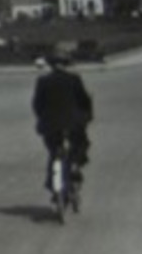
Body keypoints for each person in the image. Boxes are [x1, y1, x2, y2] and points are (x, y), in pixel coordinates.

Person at [31, 54, 94, 189]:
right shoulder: (74, 79)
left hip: (50, 125)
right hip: (73, 123)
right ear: (66, 65)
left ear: (51, 66)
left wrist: (42, 118)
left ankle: (51, 181)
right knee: (80, 144)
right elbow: (84, 100)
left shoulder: (43, 81)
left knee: (54, 150)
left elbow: (37, 104)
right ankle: (75, 167)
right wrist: (88, 117)